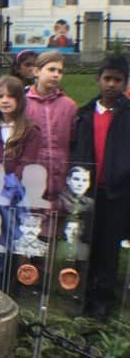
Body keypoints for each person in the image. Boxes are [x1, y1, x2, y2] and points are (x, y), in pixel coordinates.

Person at [71, 55, 130, 320]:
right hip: (88, 191)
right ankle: (81, 292)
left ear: (125, 83)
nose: (111, 85)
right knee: (87, 242)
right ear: (98, 80)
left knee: (109, 246)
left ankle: (102, 299)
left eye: (118, 80)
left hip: (117, 192)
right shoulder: (84, 114)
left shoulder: (127, 114)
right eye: (107, 78)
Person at [25, 51, 77, 209]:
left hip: (59, 179)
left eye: (60, 71)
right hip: (30, 180)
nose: (56, 75)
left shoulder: (69, 106)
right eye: (51, 69)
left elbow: (74, 141)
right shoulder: (23, 104)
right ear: (36, 72)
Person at [0, 76, 41, 180]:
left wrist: (7, 188)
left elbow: (25, 165)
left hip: (16, 191)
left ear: (20, 100)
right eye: (0, 96)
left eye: (10, 96)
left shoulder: (30, 131)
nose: (4, 101)